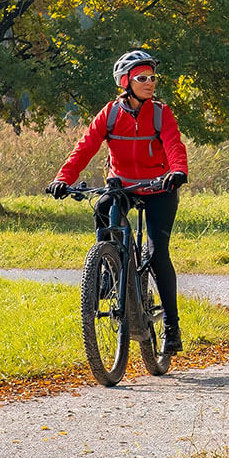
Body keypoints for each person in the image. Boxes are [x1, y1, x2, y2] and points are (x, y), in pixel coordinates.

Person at [48, 49, 189, 355]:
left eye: (152, 78)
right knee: (101, 207)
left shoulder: (161, 113)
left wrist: (177, 171)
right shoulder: (110, 114)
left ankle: (172, 326)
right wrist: (63, 179)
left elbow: (174, 144)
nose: (150, 83)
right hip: (123, 185)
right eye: (142, 78)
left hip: (159, 187)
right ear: (125, 81)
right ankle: (109, 265)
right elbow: (84, 147)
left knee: (157, 253)